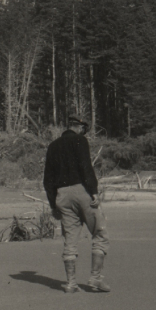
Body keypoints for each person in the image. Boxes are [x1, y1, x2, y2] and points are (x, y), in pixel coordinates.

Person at [43, 116, 110, 293]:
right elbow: (85, 166)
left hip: (62, 195)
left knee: (70, 240)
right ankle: (95, 278)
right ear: (79, 128)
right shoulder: (80, 140)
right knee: (99, 232)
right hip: (81, 190)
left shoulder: (53, 146)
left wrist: (52, 205)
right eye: (84, 129)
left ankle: (71, 283)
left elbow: (47, 179)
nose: (84, 132)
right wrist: (94, 190)